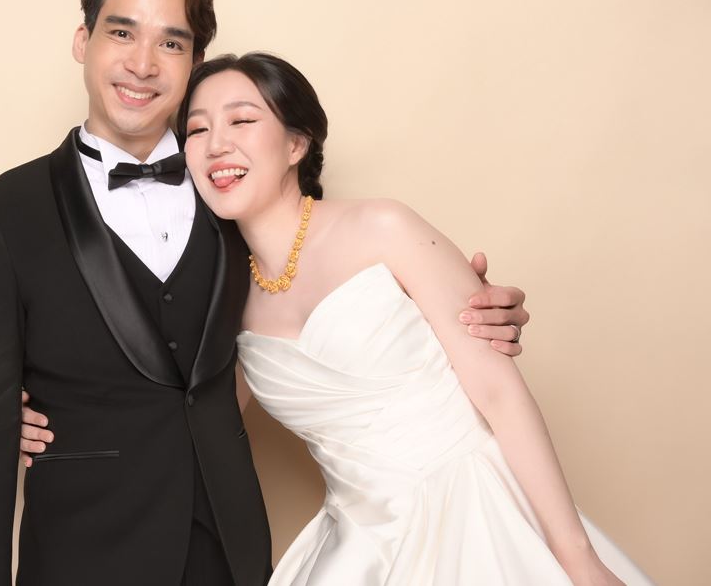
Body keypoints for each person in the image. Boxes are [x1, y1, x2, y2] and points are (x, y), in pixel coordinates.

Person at [0, 0, 527, 586]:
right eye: (122, 33)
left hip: (229, 549)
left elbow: (330, 280)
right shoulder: (1, 213)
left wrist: (466, 307)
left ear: (194, 62)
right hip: (81, 553)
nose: (142, 63)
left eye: (171, 43)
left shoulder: (234, 188)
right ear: (84, 41)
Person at [172, 51, 651, 585]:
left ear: (296, 144)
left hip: (477, 511)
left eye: (241, 120)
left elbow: (499, 393)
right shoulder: (223, 298)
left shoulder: (383, 227)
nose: (216, 145)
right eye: (197, 130)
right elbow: (203, 431)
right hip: (358, 548)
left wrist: (577, 557)